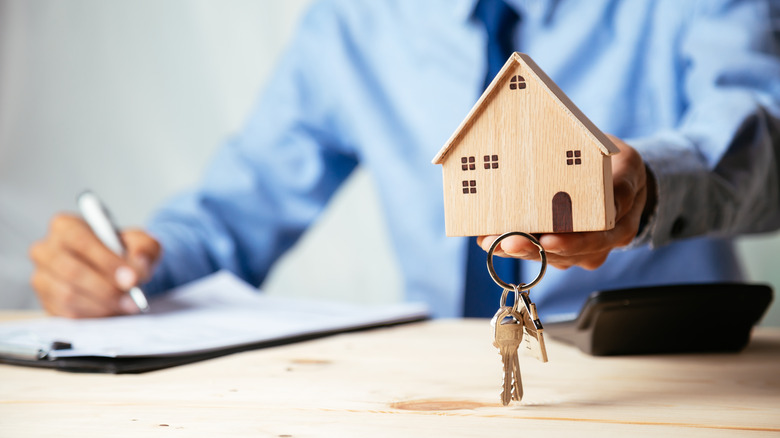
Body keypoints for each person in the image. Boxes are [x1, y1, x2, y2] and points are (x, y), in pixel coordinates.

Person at [29, 0, 780, 319]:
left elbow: (763, 138)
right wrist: (127, 267)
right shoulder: (355, 19)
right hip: (437, 389)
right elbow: (236, 209)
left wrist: (646, 188)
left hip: (666, 369)